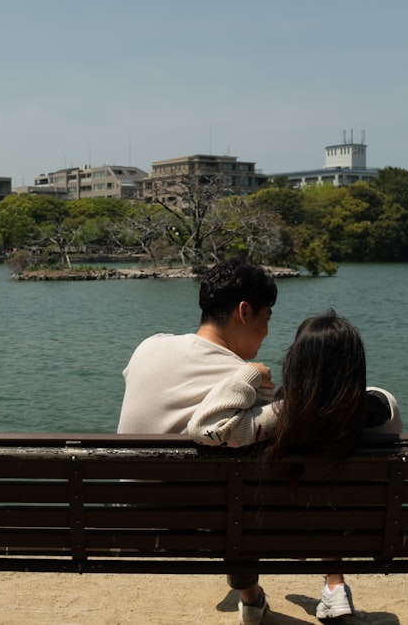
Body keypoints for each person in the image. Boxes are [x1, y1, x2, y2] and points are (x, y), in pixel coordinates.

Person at [188, 309, 402, 621]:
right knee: (330, 497)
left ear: (296, 364)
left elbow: (207, 429)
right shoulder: (385, 410)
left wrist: (248, 376)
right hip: (356, 530)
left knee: (244, 514)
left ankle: (250, 599)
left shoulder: (279, 418)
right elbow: (358, 403)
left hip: (264, 535)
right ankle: (336, 586)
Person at [118, 258, 279, 625]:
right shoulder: (246, 382)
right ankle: (252, 598)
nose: (268, 332)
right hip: (209, 529)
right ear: (244, 311)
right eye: (266, 319)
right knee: (245, 495)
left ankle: (252, 597)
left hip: (127, 518)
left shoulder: (148, 347)